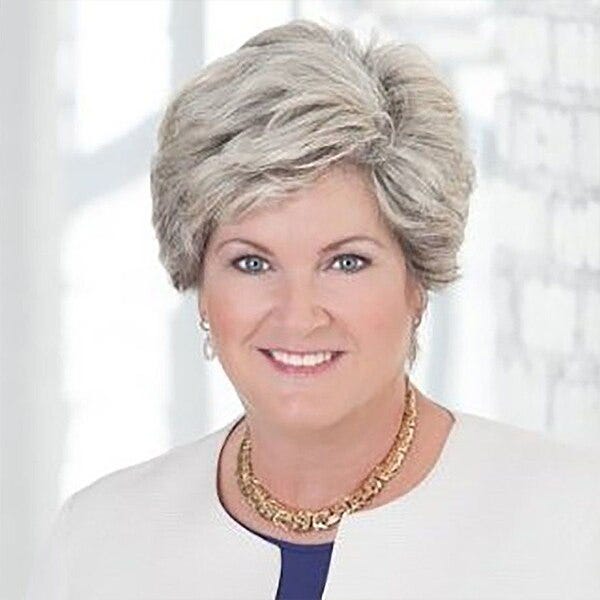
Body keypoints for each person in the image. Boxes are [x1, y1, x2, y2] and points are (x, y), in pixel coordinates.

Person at [27, 18, 600, 600]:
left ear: (417, 281)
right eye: (252, 263)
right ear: (199, 284)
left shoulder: (573, 527)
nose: (298, 316)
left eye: (346, 262)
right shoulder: (100, 541)